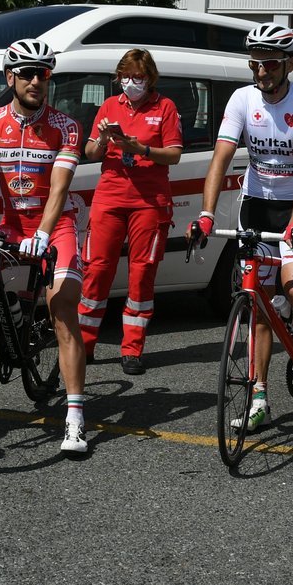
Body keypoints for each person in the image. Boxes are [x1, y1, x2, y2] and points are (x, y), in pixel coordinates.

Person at [188, 22, 293, 430]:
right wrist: (206, 212)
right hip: (256, 203)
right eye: (255, 64)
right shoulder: (242, 99)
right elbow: (220, 158)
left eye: (270, 64)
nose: (261, 72)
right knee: (256, 302)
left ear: (290, 63)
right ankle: (258, 398)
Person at [0, 39, 91, 454]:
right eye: (26, 73)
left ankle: (75, 418)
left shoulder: (66, 127)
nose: (35, 81)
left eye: (43, 73)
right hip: (12, 225)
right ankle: (10, 309)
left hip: (56, 227)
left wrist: (44, 234)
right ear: (9, 77)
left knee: (63, 307)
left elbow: (59, 190)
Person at [77, 49, 183, 375]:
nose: (130, 83)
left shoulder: (165, 108)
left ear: (149, 78)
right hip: (109, 199)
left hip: (148, 203)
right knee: (97, 270)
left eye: (137, 77)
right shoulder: (110, 106)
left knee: (141, 273)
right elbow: (91, 152)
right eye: (125, 76)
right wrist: (105, 138)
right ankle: (84, 345)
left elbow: (175, 155)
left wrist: (141, 149)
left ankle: (132, 349)